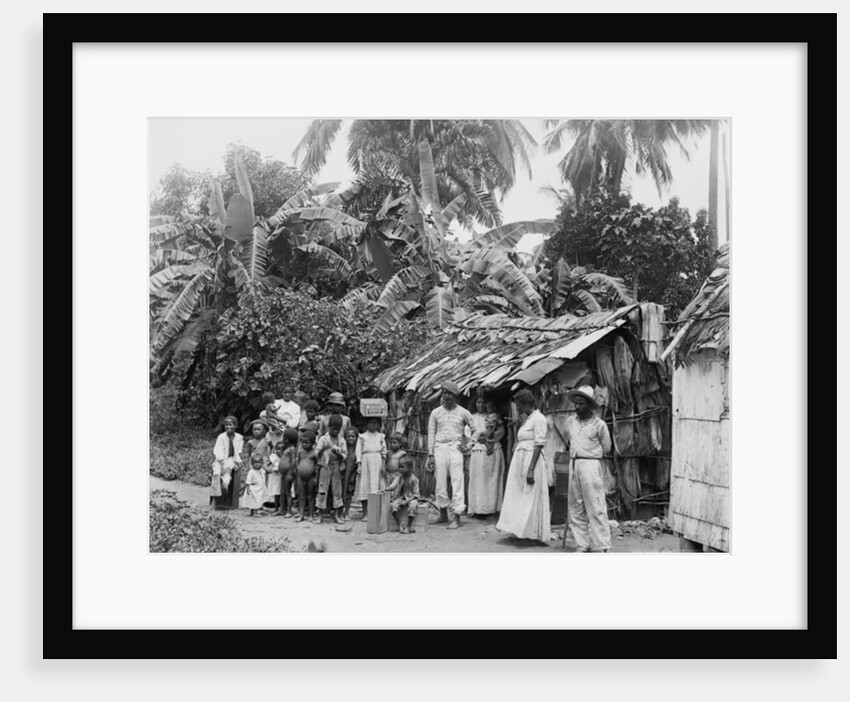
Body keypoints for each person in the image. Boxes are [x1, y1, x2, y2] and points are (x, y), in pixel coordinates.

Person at [496, 389, 550, 543]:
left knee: (530, 497)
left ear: (527, 404)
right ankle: (520, 531)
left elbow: (539, 445)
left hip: (530, 460)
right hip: (521, 459)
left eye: (519, 405)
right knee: (519, 496)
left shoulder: (539, 419)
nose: (518, 408)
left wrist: (531, 469)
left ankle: (532, 534)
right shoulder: (529, 419)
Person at [564, 385, 613, 553]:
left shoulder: (599, 425)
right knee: (575, 506)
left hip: (591, 465)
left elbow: (607, 447)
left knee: (596, 505)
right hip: (574, 463)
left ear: (590, 405)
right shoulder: (571, 422)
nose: (577, 407)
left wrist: (590, 453)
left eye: (581, 404)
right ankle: (582, 544)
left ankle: (601, 545)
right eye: (576, 404)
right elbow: (568, 441)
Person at [426, 380, 475, 529]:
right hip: (439, 447)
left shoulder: (463, 412)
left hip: (455, 447)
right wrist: (430, 454)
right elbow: (431, 434)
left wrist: (469, 445)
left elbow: (476, 429)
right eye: (444, 393)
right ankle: (443, 514)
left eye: (450, 394)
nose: (446, 397)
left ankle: (457, 517)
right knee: (440, 481)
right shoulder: (436, 413)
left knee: (457, 480)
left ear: (456, 396)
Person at [467, 394, 505, 517]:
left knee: (491, 480)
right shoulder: (472, 418)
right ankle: (479, 509)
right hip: (478, 451)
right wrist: (478, 439)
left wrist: (491, 439)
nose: (481, 405)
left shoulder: (493, 417)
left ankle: (491, 508)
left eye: (483, 403)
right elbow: (468, 434)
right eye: (478, 402)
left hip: (493, 451)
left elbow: (501, 432)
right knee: (478, 480)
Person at [353, 416, 387, 521]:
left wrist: (384, 465)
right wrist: (359, 464)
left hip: (377, 461)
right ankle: (365, 513)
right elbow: (358, 451)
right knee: (365, 486)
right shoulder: (362, 437)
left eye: (375, 423)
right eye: (371, 422)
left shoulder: (381, 436)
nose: (373, 425)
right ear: (366, 424)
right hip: (366, 461)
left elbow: (384, 451)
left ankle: (375, 512)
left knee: (376, 486)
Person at [315, 415, 347, 524]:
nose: (336, 431)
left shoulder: (341, 440)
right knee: (322, 490)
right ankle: (320, 515)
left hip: (336, 466)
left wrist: (339, 455)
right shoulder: (323, 439)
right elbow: (316, 453)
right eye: (334, 429)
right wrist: (324, 448)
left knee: (337, 490)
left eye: (338, 429)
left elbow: (345, 454)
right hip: (325, 466)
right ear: (329, 427)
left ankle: (337, 515)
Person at [210, 415, 244, 510]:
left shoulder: (239, 437)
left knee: (227, 474)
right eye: (226, 425)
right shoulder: (221, 437)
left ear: (235, 426)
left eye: (230, 425)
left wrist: (237, 462)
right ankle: (215, 499)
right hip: (220, 460)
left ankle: (225, 491)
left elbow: (238, 452)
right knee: (217, 473)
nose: (228, 427)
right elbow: (218, 451)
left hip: (231, 459)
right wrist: (221, 465)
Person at [388, 455, 420, 534]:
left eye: (402, 467)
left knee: (412, 506)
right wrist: (387, 488)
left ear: (409, 468)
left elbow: (416, 494)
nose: (400, 469)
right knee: (393, 505)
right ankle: (400, 525)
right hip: (401, 497)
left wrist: (407, 501)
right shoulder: (399, 478)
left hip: (411, 498)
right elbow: (393, 485)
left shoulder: (414, 479)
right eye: (399, 467)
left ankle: (409, 526)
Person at [272, 429, 299, 517]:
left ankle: (289, 511)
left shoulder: (292, 449)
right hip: (283, 473)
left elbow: (293, 461)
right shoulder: (287, 448)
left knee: (287, 492)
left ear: (286, 439)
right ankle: (281, 509)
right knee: (282, 492)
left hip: (288, 473)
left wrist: (291, 472)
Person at [296, 430, 319, 523]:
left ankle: (311, 515)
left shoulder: (314, 453)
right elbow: (298, 464)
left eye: (307, 442)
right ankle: (301, 515)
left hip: (311, 477)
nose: (304, 444)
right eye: (302, 442)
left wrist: (316, 478)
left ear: (313, 443)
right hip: (300, 477)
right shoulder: (300, 452)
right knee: (302, 496)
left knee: (310, 496)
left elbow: (318, 466)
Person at [240, 452, 269, 517]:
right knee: (254, 501)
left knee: (258, 500)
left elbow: (264, 479)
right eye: (255, 463)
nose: (257, 465)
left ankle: (254, 512)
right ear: (252, 464)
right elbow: (248, 481)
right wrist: (247, 488)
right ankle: (255, 513)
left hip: (260, 489)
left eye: (259, 463)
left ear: (262, 463)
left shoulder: (262, 471)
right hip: (253, 489)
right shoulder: (251, 472)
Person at [342, 427, 359, 520]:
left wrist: (353, 475)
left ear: (356, 437)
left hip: (352, 476)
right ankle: (340, 512)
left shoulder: (358, 450)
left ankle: (347, 512)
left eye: (353, 436)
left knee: (348, 494)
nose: (350, 438)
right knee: (340, 493)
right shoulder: (343, 448)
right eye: (348, 436)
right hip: (342, 474)